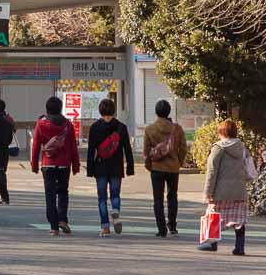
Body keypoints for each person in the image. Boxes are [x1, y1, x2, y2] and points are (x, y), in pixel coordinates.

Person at [200, 120, 254, 256]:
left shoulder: (218, 148)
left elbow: (212, 172)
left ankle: (212, 244)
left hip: (220, 192)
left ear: (221, 132)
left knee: (212, 215)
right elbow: (249, 169)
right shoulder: (242, 148)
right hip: (239, 191)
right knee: (239, 221)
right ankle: (240, 247)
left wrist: (208, 192)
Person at [31, 96, 80, 236]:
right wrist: (75, 165)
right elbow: (73, 147)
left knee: (50, 194)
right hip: (64, 164)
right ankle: (62, 219)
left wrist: (34, 164)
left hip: (48, 164)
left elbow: (35, 146)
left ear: (47, 108)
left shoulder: (41, 124)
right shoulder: (68, 125)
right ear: (60, 108)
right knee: (63, 192)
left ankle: (53, 226)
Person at [86, 98, 135, 237]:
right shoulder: (121, 127)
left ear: (100, 110)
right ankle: (116, 211)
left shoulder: (95, 127)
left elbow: (91, 150)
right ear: (113, 110)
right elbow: (127, 149)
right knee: (115, 194)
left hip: (100, 166)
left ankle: (105, 227)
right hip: (116, 166)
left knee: (102, 198)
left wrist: (90, 169)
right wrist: (130, 167)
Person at [143, 99, 189, 237]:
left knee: (158, 199)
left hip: (157, 168)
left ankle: (161, 229)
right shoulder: (177, 128)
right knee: (172, 196)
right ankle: (173, 226)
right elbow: (183, 148)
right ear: (169, 111)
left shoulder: (150, 129)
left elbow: (146, 150)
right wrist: (178, 162)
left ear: (156, 112)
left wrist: (149, 164)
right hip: (173, 168)